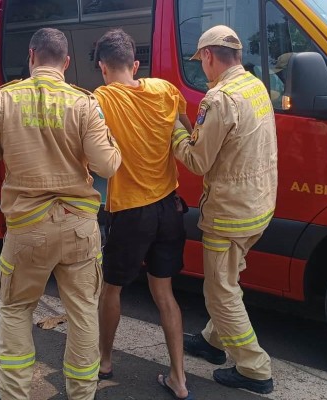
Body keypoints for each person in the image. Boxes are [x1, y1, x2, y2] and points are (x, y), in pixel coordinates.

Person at [0, 27, 122, 400]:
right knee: (83, 312)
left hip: (27, 228)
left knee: (17, 310)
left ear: (32, 57)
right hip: (79, 227)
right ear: (66, 63)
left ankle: (13, 394)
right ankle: (82, 394)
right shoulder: (84, 103)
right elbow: (108, 166)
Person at [170, 25, 278, 395]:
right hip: (259, 205)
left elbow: (198, 161)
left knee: (220, 290)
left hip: (230, 214)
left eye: (201, 61)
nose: (203, 70)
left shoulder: (218, 100)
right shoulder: (255, 86)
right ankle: (214, 343)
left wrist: (173, 129)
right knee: (228, 277)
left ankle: (254, 367)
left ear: (209, 56)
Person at [91, 28, 195, 400]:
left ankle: (104, 362)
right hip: (169, 207)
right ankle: (179, 380)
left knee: (112, 289)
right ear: (134, 64)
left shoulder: (100, 99)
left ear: (103, 67)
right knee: (164, 293)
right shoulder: (166, 90)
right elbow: (186, 135)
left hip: (130, 213)